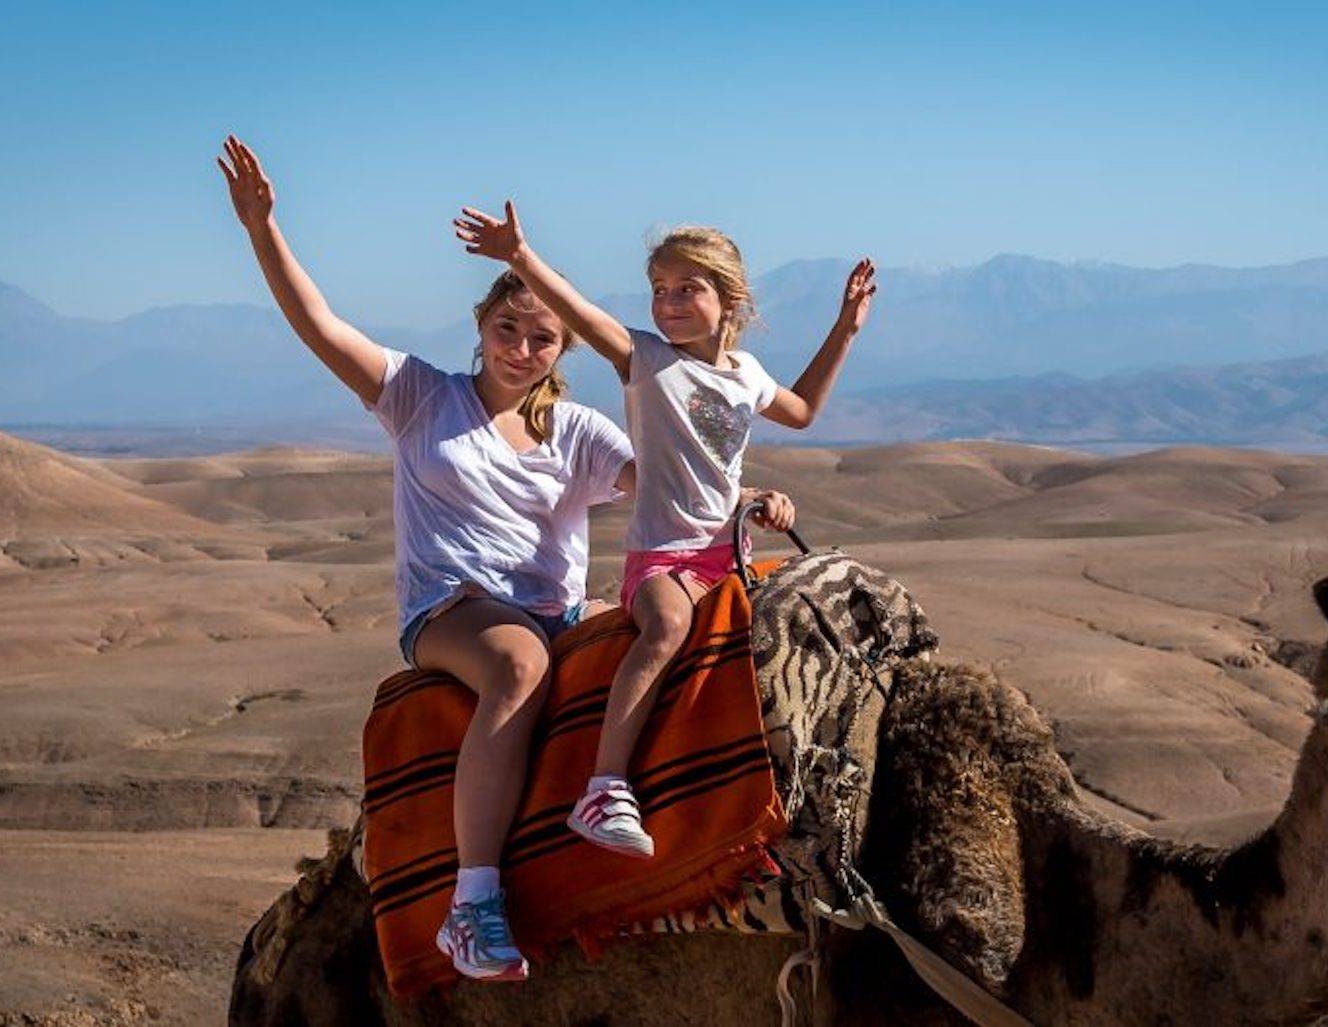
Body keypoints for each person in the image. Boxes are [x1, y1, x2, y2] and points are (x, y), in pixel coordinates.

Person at [218, 136, 635, 983]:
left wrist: (746, 502)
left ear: (565, 350)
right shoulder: (420, 396)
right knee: (519, 663)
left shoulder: (581, 432)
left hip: (559, 607)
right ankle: (471, 903)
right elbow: (321, 326)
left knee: (652, 640)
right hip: (453, 607)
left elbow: (665, 481)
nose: (522, 347)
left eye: (543, 337)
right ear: (480, 327)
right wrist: (264, 230)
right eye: (507, 328)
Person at [455, 201, 874, 858]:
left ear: (729, 300)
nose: (669, 302)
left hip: (725, 552)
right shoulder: (646, 360)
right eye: (660, 290)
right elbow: (583, 313)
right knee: (669, 627)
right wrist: (520, 258)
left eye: (687, 289)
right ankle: (605, 786)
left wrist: (845, 329)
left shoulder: (747, 375)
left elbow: (803, 410)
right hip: (661, 560)